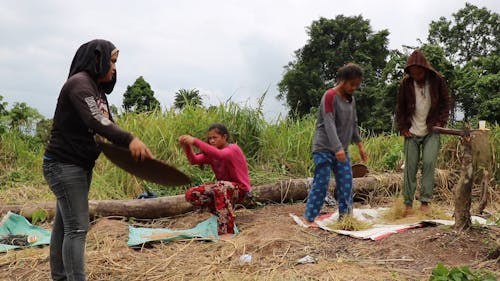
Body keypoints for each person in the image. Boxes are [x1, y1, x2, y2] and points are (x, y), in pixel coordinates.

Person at [43, 39, 154, 281]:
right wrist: (130, 139)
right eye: (112, 61)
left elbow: (108, 125)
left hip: (78, 166)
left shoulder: (97, 91)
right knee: (78, 228)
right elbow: (97, 122)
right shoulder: (79, 85)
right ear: (97, 58)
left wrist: (135, 154)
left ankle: (60, 277)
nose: (114, 68)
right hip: (64, 165)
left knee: (64, 225)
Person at [303, 63, 368, 227]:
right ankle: (309, 218)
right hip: (324, 148)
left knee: (346, 183)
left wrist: (359, 145)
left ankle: (345, 219)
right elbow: (329, 122)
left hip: (342, 151)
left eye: (357, 85)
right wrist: (337, 148)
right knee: (322, 182)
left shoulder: (351, 100)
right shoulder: (330, 96)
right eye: (352, 84)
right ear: (342, 80)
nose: (354, 88)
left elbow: (353, 124)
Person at [395, 49, 450, 216]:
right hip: (411, 131)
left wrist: (440, 123)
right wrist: (403, 128)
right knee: (410, 167)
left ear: (425, 70)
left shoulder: (437, 81)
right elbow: (401, 108)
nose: (416, 76)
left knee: (428, 163)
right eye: (413, 73)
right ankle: (408, 204)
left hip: (431, 130)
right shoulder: (406, 84)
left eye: (419, 73)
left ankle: (425, 202)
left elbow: (445, 104)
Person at [178, 123, 250, 238]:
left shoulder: (232, 149)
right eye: (210, 138)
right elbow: (194, 160)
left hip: (240, 189)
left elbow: (220, 155)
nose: (211, 141)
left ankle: (226, 232)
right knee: (192, 194)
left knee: (220, 186)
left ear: (224, 137)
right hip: (222, 190)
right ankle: (222, 215)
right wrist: (187, 145)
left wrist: (195, 141)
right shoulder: (212, 154)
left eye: (215, 138)